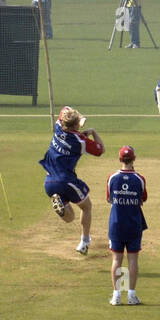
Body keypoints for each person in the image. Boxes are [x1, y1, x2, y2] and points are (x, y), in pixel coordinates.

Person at [39, 105, 105, 255]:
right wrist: (93, 132)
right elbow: (100, 149)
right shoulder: (79, 141)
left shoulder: (57, 128)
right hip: (66, 180)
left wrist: (78, 119)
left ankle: (59, 203)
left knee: (70, 218)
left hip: (49, 182)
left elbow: (65, 108)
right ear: (75, 126)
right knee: (86, 207)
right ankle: (84, 241)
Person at [106, 146, 147, 306]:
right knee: (133, 259)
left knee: (116, 259)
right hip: (134, 224)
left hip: (116, 224)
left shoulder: (112, 177)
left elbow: (109, 198)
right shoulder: (139, 179)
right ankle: (131, 295)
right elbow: (143, 198)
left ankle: (116, 295)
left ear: (119, 159)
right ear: (134, 159)